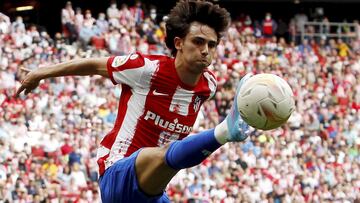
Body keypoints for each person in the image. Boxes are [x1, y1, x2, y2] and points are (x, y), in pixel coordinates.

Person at [16, 1, 251, 202]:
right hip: (118, 174)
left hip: (153, 190)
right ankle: (223, 132)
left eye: (211, 45)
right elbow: (94, 65)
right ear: (179, 43)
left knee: (165, 156)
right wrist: (41, 73)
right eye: (198, 42)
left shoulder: (208, 87)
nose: (205, 50)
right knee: (161, 153)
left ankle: (223, 132)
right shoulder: (146, 69)